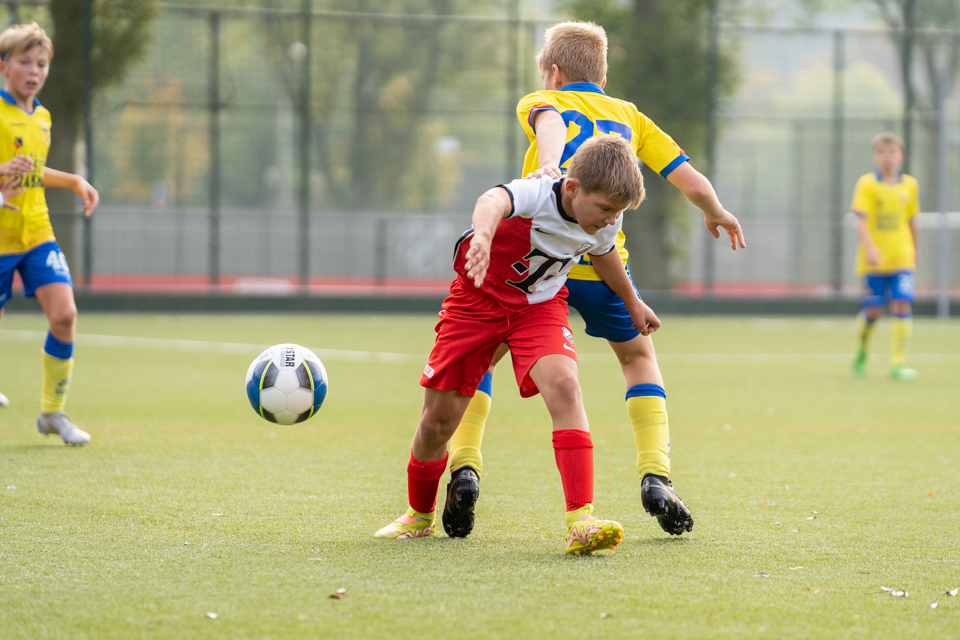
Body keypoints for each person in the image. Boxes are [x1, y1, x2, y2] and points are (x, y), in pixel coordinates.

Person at [443, 21, 746, 539]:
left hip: (540, 267)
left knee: (481, 361)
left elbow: (551, 125)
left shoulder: (543, 100)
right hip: (603, 261)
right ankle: (656, 476)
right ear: (602, 75)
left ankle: (465, 466)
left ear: (553, 71)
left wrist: (554, 168)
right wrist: (716, 211)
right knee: (637, 357)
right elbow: (688, 179)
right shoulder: (629, 117)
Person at [375, 136, 656, 554]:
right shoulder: (538, 193)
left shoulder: (605, 218)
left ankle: (581, 519)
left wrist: (633, 301)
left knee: (565, 385)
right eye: (604, 210)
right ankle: (419, 514)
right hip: (477, 303)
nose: (610, 219)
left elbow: (604, 251)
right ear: (574, 188)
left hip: (538, 309)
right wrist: (485, 237)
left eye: (617, 212)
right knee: (437, 423)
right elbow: (492, 200)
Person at [0, 23, 100, 442]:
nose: (34, 70)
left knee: (65, 315)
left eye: (41, 63)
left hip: (37, 231)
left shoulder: (41, 116)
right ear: (4, 65)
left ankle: (52, 414)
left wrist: (74, 180)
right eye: (24, 61)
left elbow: (34, 174)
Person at [851, 132, 919, 381]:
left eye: (892, 153)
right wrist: (870, 247)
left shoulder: (910, 185)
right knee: (874, 311)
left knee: (902, 302)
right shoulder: (867, 184)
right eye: (882, 153)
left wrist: (915, 253)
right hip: (874, 261)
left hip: (902, 257)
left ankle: (898, 363)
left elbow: (912, 222)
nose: (887, 158)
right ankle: (861, 351)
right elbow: (860, 221)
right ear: (875, 156)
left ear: (901, 156)